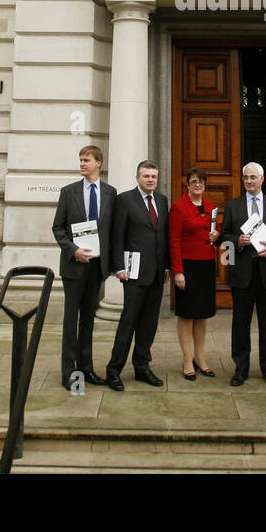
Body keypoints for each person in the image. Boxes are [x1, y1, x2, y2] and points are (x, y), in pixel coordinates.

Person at [50, 144, 116, 391]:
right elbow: (58, 227)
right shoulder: (69, 192)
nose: (82, 164)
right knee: (71, 320)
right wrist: (73, 250)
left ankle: (86, 369)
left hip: (97, 267)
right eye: (80, 160)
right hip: (74, 266)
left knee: (88, 320)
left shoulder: (110, 193)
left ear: (99, 163)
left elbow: (111, 231)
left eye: (86, 160)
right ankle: (69, 373)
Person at [217, 162, 266, 387]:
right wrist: (237, 240)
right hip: (242, 273)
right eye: (245, 177)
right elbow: (223, 236)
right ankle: (241, 367)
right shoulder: (234, 206)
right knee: (240, 323)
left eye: (253, 177)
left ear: (262, 179)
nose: (248, 181)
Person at [105, 160, 170, 391]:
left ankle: (142, 367)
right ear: (137, 178)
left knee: (149, 324)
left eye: (153, 176)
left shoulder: (162, 201)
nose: (150, 179)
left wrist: (167, 267)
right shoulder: (124, 200)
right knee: (128, 322)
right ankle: (114, 371)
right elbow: (117, 236)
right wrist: (119, 267)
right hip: (132, 273)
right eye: (146, 176)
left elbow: (163, 236)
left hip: (156, 274)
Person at [168, 168, 218, 380]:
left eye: (202, 182)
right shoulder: (179, 208)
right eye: (194, 182)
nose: (198, 185)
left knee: (203, 314)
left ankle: (200, 357)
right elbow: (174, 241)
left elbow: (212, 232)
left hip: (206, 265)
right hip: (187, 267)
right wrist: (177, 271)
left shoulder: (210, 206)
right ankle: (187, 359)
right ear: (187, 185)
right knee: (187, 313)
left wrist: (217, 234)